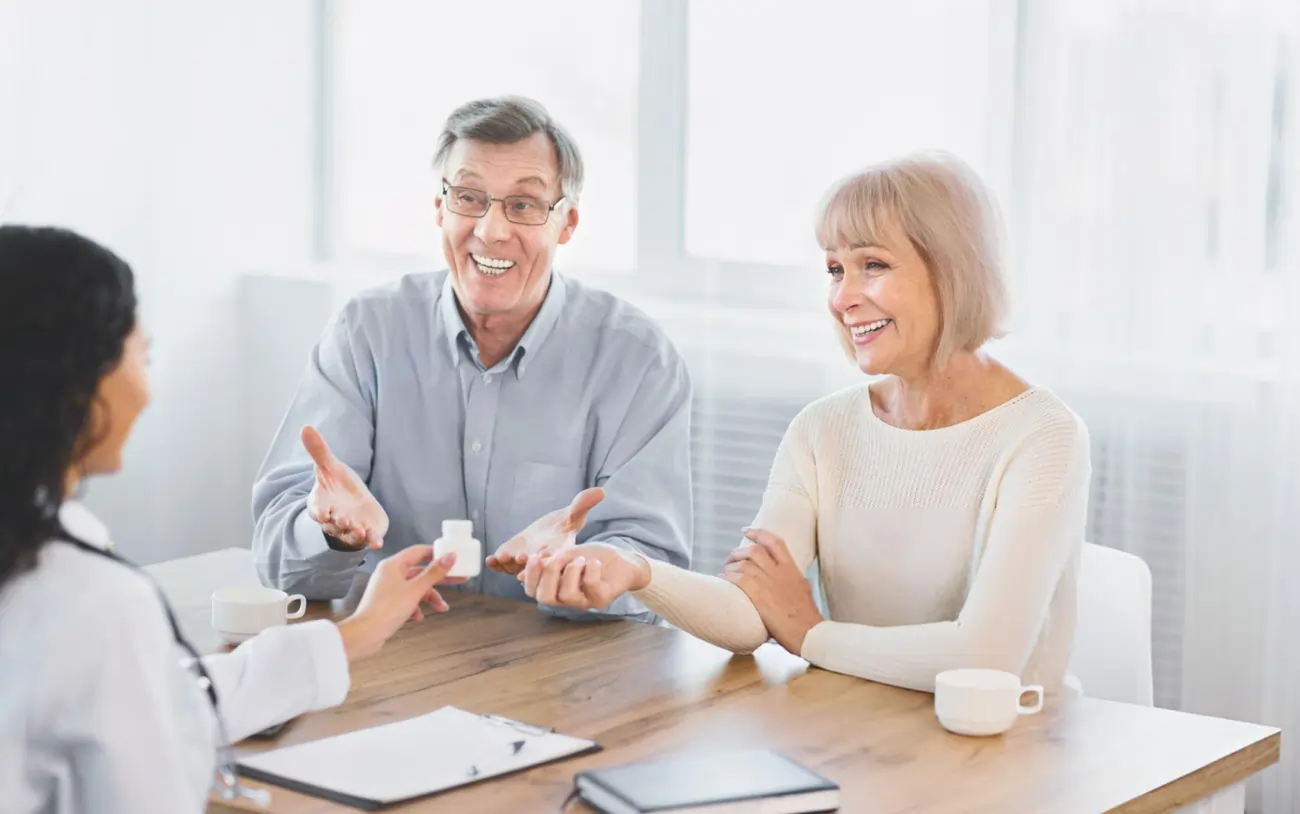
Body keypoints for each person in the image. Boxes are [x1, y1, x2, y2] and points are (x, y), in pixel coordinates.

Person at [522, 153, 1092, 695]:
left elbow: (985, 661)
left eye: (873, 265)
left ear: (953, 271)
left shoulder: (1041, 435)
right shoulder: (824, 430)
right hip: (870, 730)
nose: (844, 297)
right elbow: (751, 616)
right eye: (835, 269)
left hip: (1010, 751)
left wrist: (811, 635)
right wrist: (633, 570)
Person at [0, 225, 465, 811]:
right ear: (74, 383)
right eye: (140, 353)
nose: (147, 384)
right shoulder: (92, 602)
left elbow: (167, 699)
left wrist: (359, 632)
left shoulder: (49, 578)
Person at [251, 96, 692, 620]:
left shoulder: (638, 362)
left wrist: (589, 570)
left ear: (567, 222)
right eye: (469, 198)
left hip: (564, 672)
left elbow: (655, 572)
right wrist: (332, 535)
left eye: (523, 205)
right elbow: (279, 562)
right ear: (440, 208)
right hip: (398, 657)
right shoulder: (365, 334)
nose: (490, 230)